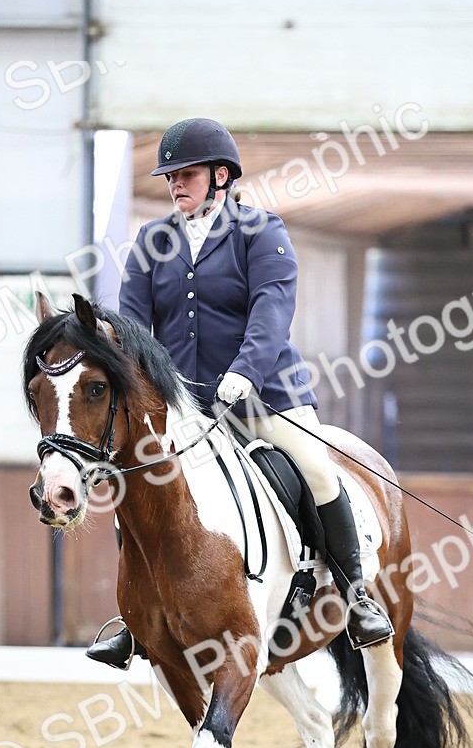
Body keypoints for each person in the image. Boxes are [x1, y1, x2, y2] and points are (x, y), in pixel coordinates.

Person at [88, 117, 393, 667]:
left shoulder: (261, 231)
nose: (176, 184)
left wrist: (245, 372)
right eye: (171, 175)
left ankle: (355, 594)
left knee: (317, 469)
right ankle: (136, 618)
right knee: (133, 488)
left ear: (221, 175)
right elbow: (130, 327)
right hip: (186, 406)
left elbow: (271, 310)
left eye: (188, 174)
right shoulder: (151, 243)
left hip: (265, 393)